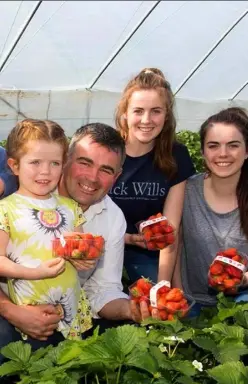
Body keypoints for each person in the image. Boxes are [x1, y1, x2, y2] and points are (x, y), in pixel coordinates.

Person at [0, 122, 148, 356]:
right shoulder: (14, 194)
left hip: (68, 314)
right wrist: (10, 310)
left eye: (106, 170)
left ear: (117, 177)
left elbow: (103, 288)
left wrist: (132, 309)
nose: (92, 177)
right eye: (85, 163)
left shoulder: (110, 217)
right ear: (68, 159)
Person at [0, 119, 95, 350]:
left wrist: (84, 258)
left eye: (55, 163)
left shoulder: (70, 207)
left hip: (70, 312)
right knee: (34, 376)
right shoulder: (6, 209)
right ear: (14, 165)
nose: (45, 171)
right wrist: (34, 272)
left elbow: (78, 248)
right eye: (35, 162)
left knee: (70, 373)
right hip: (30, 314)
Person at [172, 107, 248, 316]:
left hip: (239, 301)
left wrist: (240, 279)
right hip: (190, 300)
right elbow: (175, 244)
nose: (223, 154)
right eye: (213, 146)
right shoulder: (186, 190)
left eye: (233, 146)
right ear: (202, 151)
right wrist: (179, 293)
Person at [109, 67, 196, 284]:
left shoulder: (176, 155)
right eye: (138, 111)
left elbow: (170, 230)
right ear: (125, 114)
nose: (146, 120)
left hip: (147, 254)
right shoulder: (107, 150)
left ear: (166, 116)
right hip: (103, 247)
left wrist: (163, 287)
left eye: (156, 111)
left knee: (167, 306)